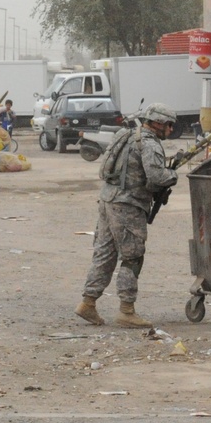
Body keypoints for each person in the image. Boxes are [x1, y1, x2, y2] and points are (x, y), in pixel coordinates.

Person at [76, 103, 180, 328]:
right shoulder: (150, 144)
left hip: (108, 200)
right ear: (158, 123)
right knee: (132, 257)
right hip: (127, 205)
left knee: (104, 253)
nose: (171, 130)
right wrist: (172, 175)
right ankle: (126, 310)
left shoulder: (127, 135)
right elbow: (156, 176)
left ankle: (88, 303)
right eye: (169, 125)